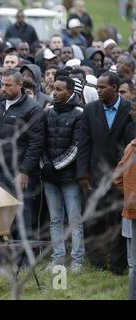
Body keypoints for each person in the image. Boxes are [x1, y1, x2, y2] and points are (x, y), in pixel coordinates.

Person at [77, 72, 133, 275]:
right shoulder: (90, 110)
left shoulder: (128, 109)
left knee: (117, 221)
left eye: (102, 87)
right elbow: (83, 143)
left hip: (120, 176)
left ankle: (119, 266)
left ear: (116, 88)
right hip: (95, 176)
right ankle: (97, 263)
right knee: (94, 220)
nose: (98, 90)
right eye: (98, 87)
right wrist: (82, 173)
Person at [0, 69, 44, 240]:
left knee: (22, 215)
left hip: (19, 171)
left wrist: (25, 171)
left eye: (8, 85)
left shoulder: (33, 109)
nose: (3, 89)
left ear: (20, 85)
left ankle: (24, 259)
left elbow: (36, 144)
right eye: (2, 85)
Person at [41, 76, 85, 273]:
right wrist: (44, 164)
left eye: (59, 89)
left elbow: (77, 146)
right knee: (55, 220)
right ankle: (57, 258)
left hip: (69, 177)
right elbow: (40, 142)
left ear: (70, 92)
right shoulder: (47, 112)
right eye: (54, 89)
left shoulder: (79, 114)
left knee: (74, 220)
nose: (54, 92)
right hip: (49, 176)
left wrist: (55, 166)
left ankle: (77, 261)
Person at [114, 98, 136, 300]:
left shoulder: (131, 147)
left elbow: (118, 178)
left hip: (132, 209)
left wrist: (130, 195)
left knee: (134, 261)